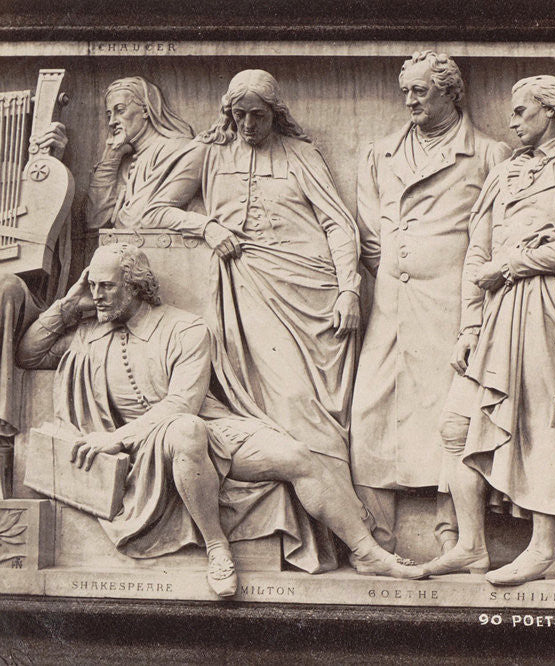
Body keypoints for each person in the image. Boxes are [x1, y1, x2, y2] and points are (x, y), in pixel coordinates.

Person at [17, 245, 425, 598]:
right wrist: (67, 307)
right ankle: (218, 548)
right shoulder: (89, 338)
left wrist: (117, 438)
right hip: (150, 446)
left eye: (107, 286)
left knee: (296, 455)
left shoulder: (183, 328)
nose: (98, 296)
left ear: (136, 286)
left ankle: (366, 552)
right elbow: (29, 354)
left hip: (205, 429)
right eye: (93, 286)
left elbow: (182, 402)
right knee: (185, 433)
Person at [422, 75, 555, 585]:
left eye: (522, 111)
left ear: (552, 112)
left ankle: (544, 551)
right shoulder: (504, 173)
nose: (512, 122)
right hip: (496, 318)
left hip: (551, 314)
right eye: (511, 113)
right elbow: (476, 254)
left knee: (542, 433)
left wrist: (515, 264)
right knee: (455, 427)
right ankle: (470, 546)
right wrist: (468, 325)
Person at [139, 69, 362, 484]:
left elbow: (338, 224)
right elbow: (151, 210)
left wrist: (349, 288)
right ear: (228, 114)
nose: (248, 125)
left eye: (257, 115)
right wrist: (207, 227)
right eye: (239, 115)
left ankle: (340, 511)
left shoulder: (300, 154)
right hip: (249, 291)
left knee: (318, 406)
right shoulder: (208, 153)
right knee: (290, 401)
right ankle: (326, 506)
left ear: (275, 113)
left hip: (314, 294)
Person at [351, 51, 510, 556]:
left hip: (453, 308)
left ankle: (453, 532)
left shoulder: (488, 154)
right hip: (394, 306)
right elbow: (371, 234)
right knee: (373, 408)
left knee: (451, 418)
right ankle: (377, 532)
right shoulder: (380, 153)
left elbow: (497, 234)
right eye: (406, 92)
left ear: (449, 93)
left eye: (421, 91)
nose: (410, 101)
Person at [0, 121, 68, 497]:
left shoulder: (19, 176)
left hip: (19, 299)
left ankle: (1, 439)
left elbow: (41, 257)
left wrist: (47, 172)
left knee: (5, 288)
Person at [86, 76, 195, 230]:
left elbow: (135, 221)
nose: (111, 122)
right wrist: (110, 159)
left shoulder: (176, 148)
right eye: (109, 114)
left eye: (120, 110)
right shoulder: (125, 161)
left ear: (146, 109)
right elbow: (94, 221)